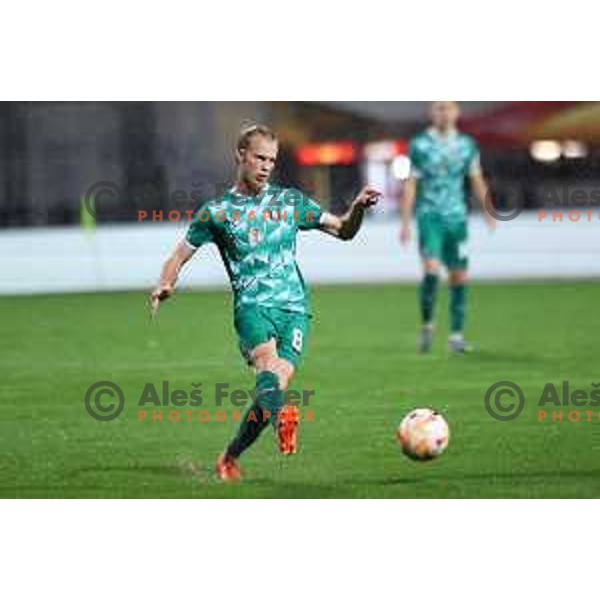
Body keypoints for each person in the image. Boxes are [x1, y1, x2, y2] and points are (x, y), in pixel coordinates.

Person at [150, 123, 381, 481]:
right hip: (253, 308)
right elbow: (179, 255)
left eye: (272, 160)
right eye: (259, 157)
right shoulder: (218, 212)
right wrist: (165, 284)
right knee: (266, 366)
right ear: (240, 156)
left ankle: (230, 455)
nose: (266, 166)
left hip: (296, 311)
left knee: (272, 388)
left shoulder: (290, 202)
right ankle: (281, 420)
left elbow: (343, 231)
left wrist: (358, 208)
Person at [400, 101, 496, 354]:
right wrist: (405, 222)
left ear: (457, 112)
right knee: (432, 271)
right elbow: (410, 183)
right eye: (439, 108)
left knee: (459, 277)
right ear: (432, 113)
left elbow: (476, 178)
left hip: (457, 219)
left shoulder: (467, 145)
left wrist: (488, 209)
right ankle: (428, 324)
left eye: (448, 107)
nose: (444, 113)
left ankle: (456, 336)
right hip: (429, 217)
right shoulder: (419, 145)